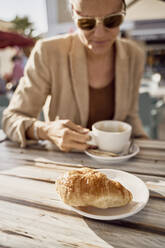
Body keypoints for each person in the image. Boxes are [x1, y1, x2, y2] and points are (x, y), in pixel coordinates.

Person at [2, 0, 148, 152]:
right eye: (87, 22)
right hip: (65, 164)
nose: (99, 34)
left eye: (112, 20)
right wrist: (45, 131)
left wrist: (148, 149)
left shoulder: (134, 54)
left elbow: (130, 116)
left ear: (123, 13)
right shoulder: (48, 52)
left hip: (118, 163)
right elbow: (10, 119)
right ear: (73, 13)